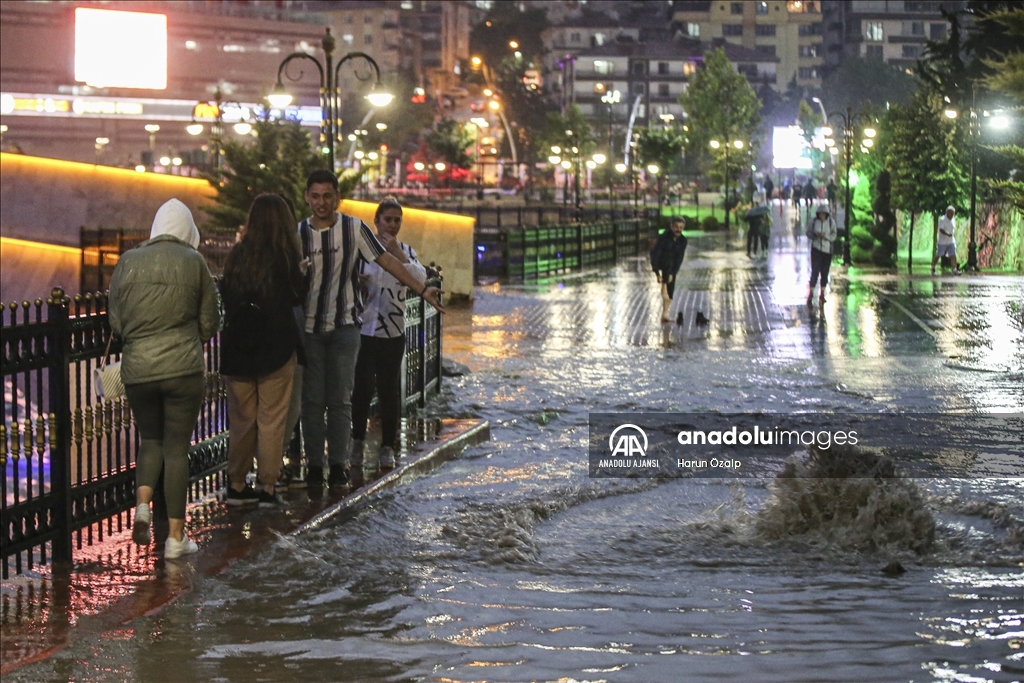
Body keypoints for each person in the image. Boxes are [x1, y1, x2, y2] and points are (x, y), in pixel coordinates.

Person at [298, 170, 445, 488]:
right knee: (331, 396)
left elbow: (403, 270)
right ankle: (329, 457)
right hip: (336, 328)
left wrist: (419, 286)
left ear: (336, 198)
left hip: (370, 329)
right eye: (316, 196)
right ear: (307, 197)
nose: (322, 202)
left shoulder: (377, 239)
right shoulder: (317, 237)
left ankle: (363, 455)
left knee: (366, 393)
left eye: (328, 196)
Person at [108, 199, 220, 559]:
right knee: (176, 449)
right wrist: (192, 337)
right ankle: (175, 538)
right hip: (183, 370)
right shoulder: (194, 262)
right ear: (188, 230)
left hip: (138, 370)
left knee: (150, 441)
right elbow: (210, 321)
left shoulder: (127, 261)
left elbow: (116, 321)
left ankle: (142, 504)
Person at [220, 194, 306, 508]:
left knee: (242, 421)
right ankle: (268, 487)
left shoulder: (236, 255)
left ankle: (237, 485)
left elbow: (226, 296)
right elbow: (298, 295)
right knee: (271, 420)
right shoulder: (284, 256)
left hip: (238, 348)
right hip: (276, 348)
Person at [350, 197, 428, 472]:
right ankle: (357, 440)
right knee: (360, 388)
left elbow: (420, 278)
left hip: (392, 330)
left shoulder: (406, 249)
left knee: (389, 389)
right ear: (377, 221)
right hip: (363, 327)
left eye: (397, 220)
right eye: (388, 220)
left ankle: (387, 446)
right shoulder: (363, 251)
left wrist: (398, 252)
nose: (392, 225)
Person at [650, 217, 688, 322]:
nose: (678, 229)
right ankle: (664, 287)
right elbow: (655, 254)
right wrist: (657, 273)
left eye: (681, 227)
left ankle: (665, 314)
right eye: (676, 227)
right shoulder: (663, 238)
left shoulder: (683, 241)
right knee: (666, 290)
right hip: (662, 262)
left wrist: (673, 273)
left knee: (670, 293)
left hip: (672, 266)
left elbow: (679, 258)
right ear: (671, 226)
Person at [806, 204, 838, 305]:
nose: (822, 216)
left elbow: (834, 234)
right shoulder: (814, 221)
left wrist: (826, 237)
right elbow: (808, 232)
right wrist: (815, 235)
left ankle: (822, 294)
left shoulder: (830, 222)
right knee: (815, 272)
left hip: (827, 250)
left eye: (824, 214)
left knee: (825, 272)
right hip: (816, 249)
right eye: (820, 214)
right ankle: (810, 293)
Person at [932, 205, 960, 275]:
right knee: (939, 254)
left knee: (953, 255)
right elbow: (941, 229)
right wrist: (947, 234)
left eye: (953, 213)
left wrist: (951, 235)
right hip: (942, 242)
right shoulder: (942, 219)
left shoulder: (953, 220)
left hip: (951, 241)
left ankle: (954, 269)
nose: (952, 215)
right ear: (947, 212)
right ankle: (933, 267)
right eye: (951, 213)